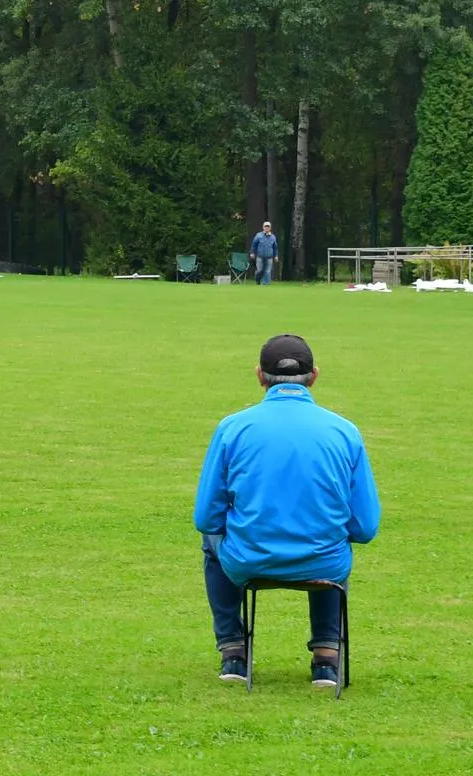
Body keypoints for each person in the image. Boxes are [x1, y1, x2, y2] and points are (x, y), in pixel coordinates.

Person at [193, 334, 380, 688]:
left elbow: (206, 517)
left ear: (259, 376)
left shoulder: (233, 427)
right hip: (324, 564)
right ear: (315, 376)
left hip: (248, 560)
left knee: (210, 540)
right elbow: (365, 527)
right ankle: (326, 656)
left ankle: (233, 651)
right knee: (334, 537)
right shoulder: (345, 431)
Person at [248, 221, 278, 285]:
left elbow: (275, 247)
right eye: (265, 226)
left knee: (267, 271)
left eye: (268, 226)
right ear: (263, 227)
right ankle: (257, 280)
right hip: (260, 256)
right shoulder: (258, 235)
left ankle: (266, 284)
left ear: (270, 228)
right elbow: (254, 245)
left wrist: (276, 256)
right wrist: (252, 253)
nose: (266, 228)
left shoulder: (273, 237)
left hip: (269, 257)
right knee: (259, 270)